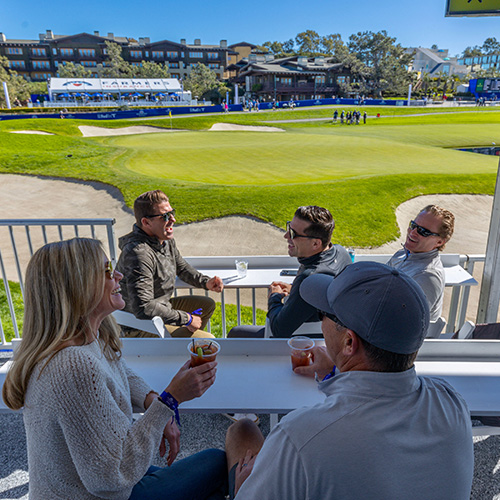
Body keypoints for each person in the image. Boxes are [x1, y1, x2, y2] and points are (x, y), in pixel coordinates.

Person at [225, 262, 474, 500]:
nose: (322, 322)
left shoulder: (299, 437)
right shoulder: (451, 402)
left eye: (325, 313)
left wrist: (244, 488)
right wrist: (336, 371)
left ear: (349, 343)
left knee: (242, 430)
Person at [2, 238, 227, 500]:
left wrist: (152, 399)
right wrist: (169, 401)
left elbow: (117, 370)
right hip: (100, 493)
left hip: (95, 483)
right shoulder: (73, 366)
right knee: (217, 462)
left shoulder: (86, 337)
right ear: (78, 286)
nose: (119, 275)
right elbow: (112, 479)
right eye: (107, 270)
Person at [228, 206, 351, 338]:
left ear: (315, 244)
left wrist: (274, 297)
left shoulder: (308, 277)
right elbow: (323, 293)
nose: (286, 236)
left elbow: (278, 329)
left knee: (235, 333)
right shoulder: (341, 253)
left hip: (302, 344)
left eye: (293, 234)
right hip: (331, 339)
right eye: (289, 228)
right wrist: (294, 289)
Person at [116, 190, 224, 338]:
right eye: (165, 216)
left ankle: (180, 347)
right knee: (208, 340)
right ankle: (179, 350)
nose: (172, 219)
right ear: (146, 222)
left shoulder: (164, 239)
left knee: (206, 305)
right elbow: (143, 307)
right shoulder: (138, 253)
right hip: (138, 327)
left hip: (160, 309)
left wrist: (206, 282)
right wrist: (187, 319)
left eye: (172, 212)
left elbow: (181, 267)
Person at [386, 204, 454, 322]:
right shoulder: (402, 254)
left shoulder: (427, 276)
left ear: (439, 242)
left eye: (423, 231)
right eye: (413, 225)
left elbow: (406, 322)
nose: (412, 233)